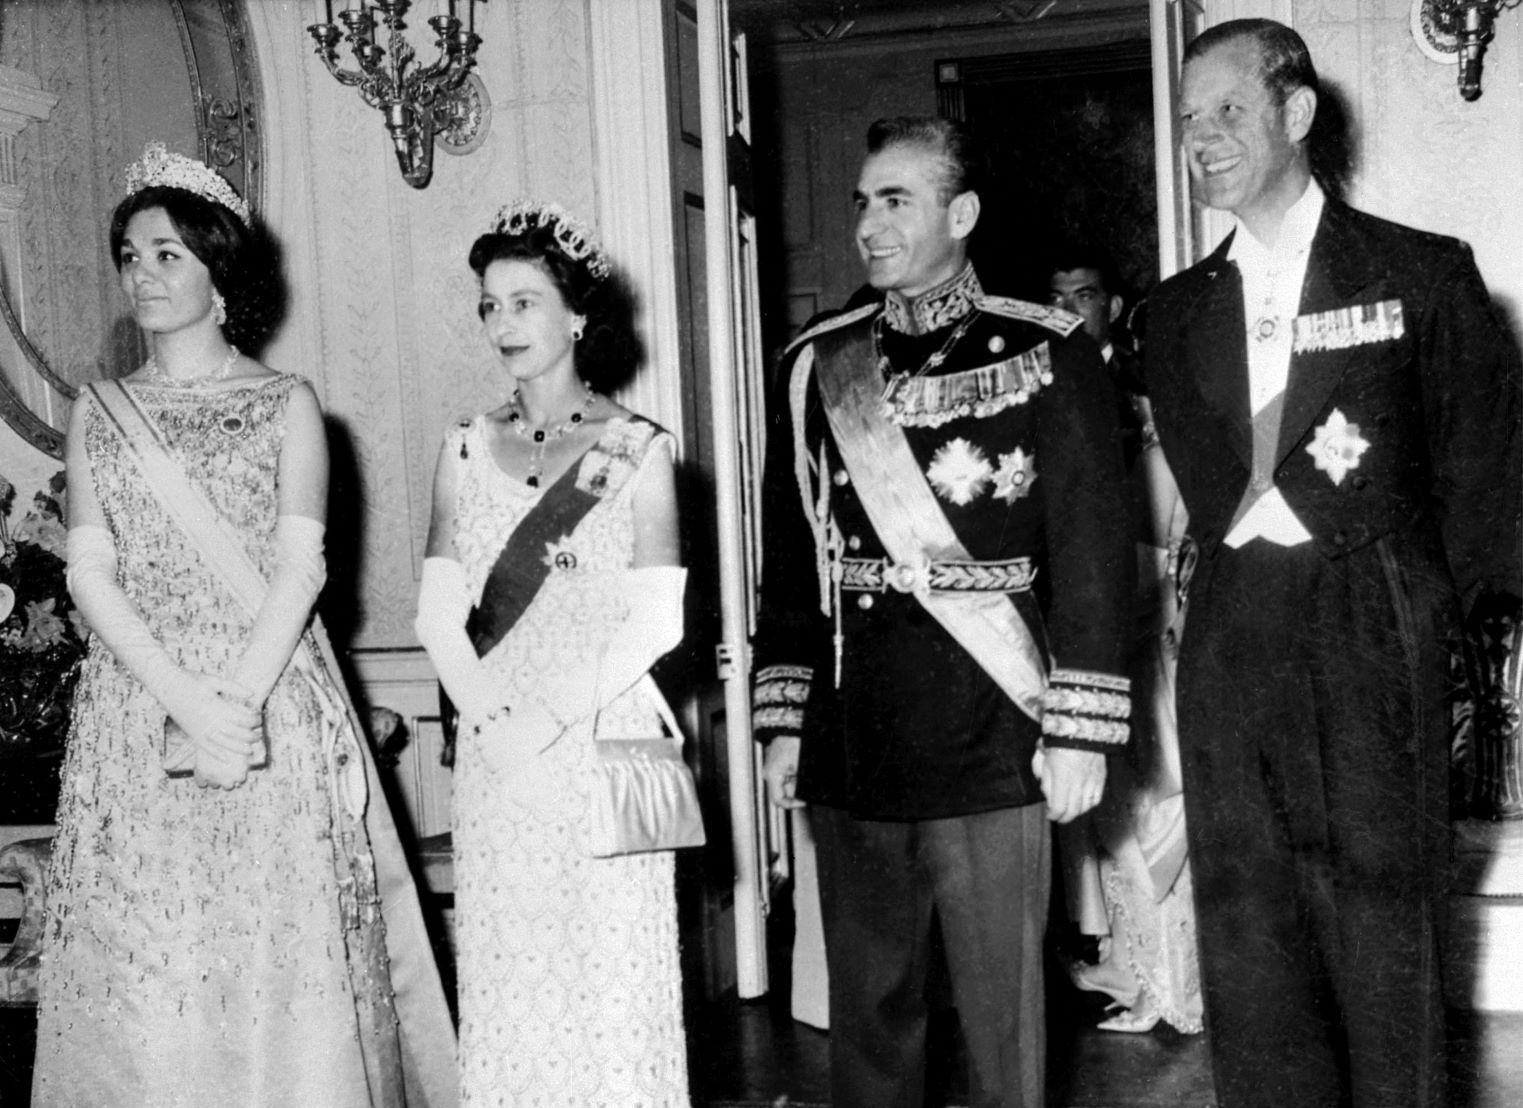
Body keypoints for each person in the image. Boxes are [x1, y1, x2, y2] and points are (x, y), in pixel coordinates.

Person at [1147, 20, 1522, 1107]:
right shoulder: (1169, 316)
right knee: (1249, 949)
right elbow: (1205, 490)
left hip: (1369, 629)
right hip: (1229, 645)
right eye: (1185, 119)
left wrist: (1417, 614)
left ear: (1295, 113)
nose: (1200, 137)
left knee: (1380, 945)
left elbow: (1484, 475)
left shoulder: (1417, 274)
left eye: (1225, 110)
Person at [35, 143, 457, 1106]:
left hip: (268, 707)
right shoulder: (98, 411)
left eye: (168, 253)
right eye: (131, 255)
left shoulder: (286, 404)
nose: (143, 273)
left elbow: (298, 565)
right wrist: (183, 699)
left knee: (273, 951)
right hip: (138, 714)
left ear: (220, 271)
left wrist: (232, 705)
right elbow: (91, 569)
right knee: (153, 958)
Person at [752, 116, 1133, 1108]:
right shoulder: (813, 365)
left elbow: (1093, 558)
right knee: (869, 1022)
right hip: (852, 732)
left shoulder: (1047, 352)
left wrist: (1079, 730)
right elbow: (791, 561)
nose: (869, 224)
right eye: (862, 202)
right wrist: (784, 716)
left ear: (958, 213)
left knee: (1003, 1021)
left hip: (990, 731)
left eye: (896, 200)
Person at [413, 200, 689, 1106]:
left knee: (609, 990)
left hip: (596, 739)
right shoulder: (462, 444)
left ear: (576, 315)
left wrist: (543, 721)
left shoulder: (637, 451)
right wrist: (495, 726)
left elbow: (656, 621)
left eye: (524, 302)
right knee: (514, 983)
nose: (503, 325)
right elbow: (436, 611)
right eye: (489, 305)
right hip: (497, 757)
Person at [1046, 247, 1204, 1035]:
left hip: (1147, 657)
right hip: (1154, 653)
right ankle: (1145, 976)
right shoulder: (1168, 453)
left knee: (1146, 825)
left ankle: (1162, 989)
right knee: (1136, 826)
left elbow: (1144, 578)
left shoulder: (1154, 462)